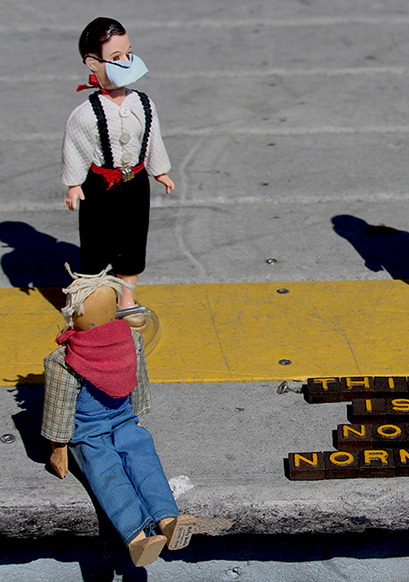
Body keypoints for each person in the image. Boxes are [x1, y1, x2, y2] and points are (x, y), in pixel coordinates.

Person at [42, 265, 194, 567]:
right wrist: (136, 415)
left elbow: (59, 407)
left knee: (107, 474)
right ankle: (161, 521)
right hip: (116, 422)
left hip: (89, 432)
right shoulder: (130, 340)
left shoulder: (64, 359)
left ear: (74, 313)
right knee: (141, 459)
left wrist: (58, 448)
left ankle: (145, 532)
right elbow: (137, 382)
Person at [62, 17, 174, 327]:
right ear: (92, 63)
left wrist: (159, 170)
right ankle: (94, 303)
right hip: (99, 185)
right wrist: (73, 183)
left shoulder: (144, 104)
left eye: (128, 53)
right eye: (115, 57)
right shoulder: (86, 114)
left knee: (133, 240)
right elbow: (75, 146)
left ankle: (126, 299)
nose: (126, 61)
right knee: (96, 241)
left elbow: (152, 138)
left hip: (135, 182)